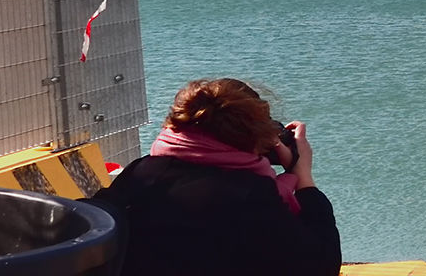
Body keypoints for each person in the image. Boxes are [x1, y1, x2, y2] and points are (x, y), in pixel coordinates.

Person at [92, 77, 342, 276]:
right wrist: (304, 179)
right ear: (255, 137)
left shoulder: (140, 172)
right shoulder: (249, 197)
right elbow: (320, 265)